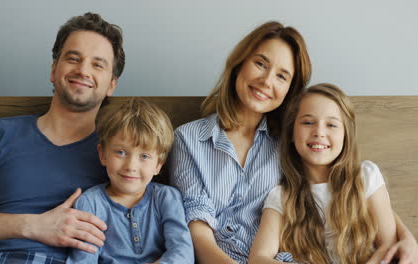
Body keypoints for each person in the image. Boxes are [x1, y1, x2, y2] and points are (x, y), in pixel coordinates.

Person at [169, 21, 418, 264]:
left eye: (282, 76)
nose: (267, 81)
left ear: (290, 89)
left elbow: (344, 187)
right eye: (260, 63)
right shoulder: (189, 139)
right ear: (238, 64)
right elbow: (198, 233)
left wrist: (406, 237)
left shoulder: (293, 141)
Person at [0, 12, 125, 263]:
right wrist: (33, 225)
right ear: (54, 70)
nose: (83, 70)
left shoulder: (119, 154)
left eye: (97, 64)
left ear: (111, 85)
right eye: (73, 58)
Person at [247, 83, 397, 264]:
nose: (319, 132)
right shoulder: (282, 196)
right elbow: (258, 258)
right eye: (308, 122)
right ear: (292, 133)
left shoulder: (365, 177)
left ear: (345, 135)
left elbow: (388, 245)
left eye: (331, 125)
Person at [66, 98, 193, 264]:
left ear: (158, 165)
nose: (131, 166)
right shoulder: (90, 203)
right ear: (103, 154)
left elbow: (182, 253)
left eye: (144, 156)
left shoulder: (167, 198)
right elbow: (83, 260)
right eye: (120, 152)